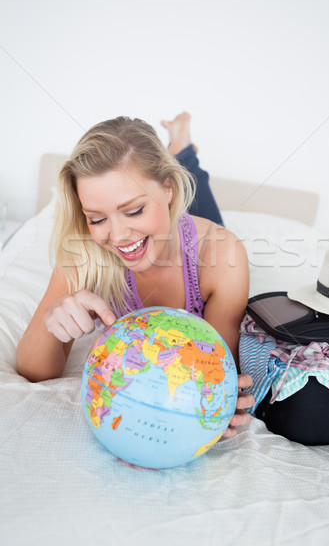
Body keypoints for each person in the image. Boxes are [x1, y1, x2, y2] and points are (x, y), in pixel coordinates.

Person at [16, 112, 254, 437]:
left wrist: (217, 400)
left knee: (203, 204)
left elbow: (214, 370)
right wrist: (51, 324)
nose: (117, 235)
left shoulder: (222, 256)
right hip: (166, 227)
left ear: (167, 188)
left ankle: (183, 149)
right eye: (97, 218)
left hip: (193, 240)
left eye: (133, 210)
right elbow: (32, 371)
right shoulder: (84, 250)